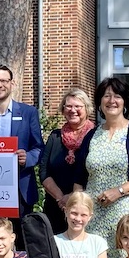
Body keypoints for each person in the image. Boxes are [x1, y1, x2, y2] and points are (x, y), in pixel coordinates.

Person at [78, 77, 129, 258]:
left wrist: (119, 191)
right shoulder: (92, 135)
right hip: (94, 216)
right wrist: (79, 205)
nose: (111, 100)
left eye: (117, 96)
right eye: (106, 96)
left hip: (125, 214)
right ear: (100, 102)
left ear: (125, 101)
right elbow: (79, 178)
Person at [0, 64, 45, 243]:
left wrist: (28, 158)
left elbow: (39, 148)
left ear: (12, 83)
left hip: (20, 189)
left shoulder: (28, 113)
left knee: (22, 243)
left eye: (4, 80)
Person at [41, 89, 96, 233]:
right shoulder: (55, 137)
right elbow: (44, 172)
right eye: (69, 106)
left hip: (85, 209)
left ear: (87, 109)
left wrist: (73, 198)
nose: (73, 110)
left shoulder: (95, 137)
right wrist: (61, 198)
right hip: (56, 207)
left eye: (78, 106)